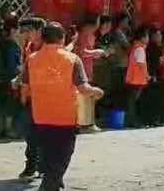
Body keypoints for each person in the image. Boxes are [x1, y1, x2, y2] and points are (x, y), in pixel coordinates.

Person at [22, 22, 103, 191]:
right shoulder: (72, 59)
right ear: (63, 38)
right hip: (64, 117)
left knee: (48, 152)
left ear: (43, 38)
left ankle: (53, 180)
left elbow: (25, 86)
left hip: (40, 116)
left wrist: (25, 100)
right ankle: (50, 184)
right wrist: (96, 92)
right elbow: (83, 88)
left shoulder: (32, 59)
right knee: (63, 154)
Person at [15, 16, 45, 181]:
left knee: (40, 134)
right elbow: (26, 69)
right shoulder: (28, 47)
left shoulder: (48, 49)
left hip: (44, 97)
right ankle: (34, 165)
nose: (26, 34)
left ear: (40, 30)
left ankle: (36, 166)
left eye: (29, 31)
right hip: (29, 96)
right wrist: (18, 80)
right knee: (31, 133)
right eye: (23, 31)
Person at [69, 15, 105, 132]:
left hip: (87, 68)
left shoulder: (89, 35)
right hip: (81, 69)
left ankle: (86, 122)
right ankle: (83, 123)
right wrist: (96, 52)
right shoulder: (82, 35)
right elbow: (81, 52)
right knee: (83, 95)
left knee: (87, 96)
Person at [123, 27, 149, 128]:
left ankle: (130, 121)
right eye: (147, 36)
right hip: (137, 79)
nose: (148, 38)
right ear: (142, 38)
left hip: (132, 78)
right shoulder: (140, 49)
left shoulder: (135, 47)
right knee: (133, 102)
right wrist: (147, 75)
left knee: (131, 101)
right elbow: (141, 64)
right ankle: (133, 122)